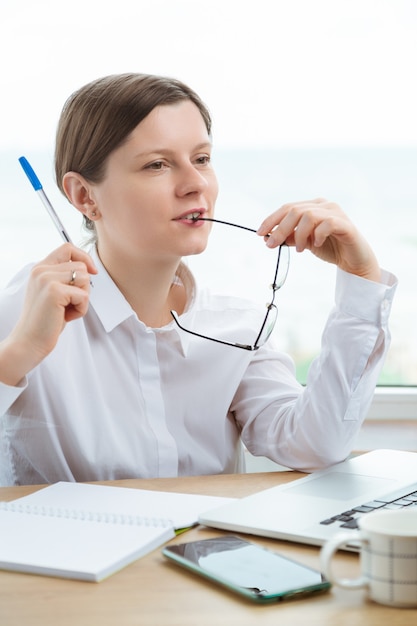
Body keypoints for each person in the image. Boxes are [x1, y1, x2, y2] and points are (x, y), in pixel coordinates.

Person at [0, 73, 396, 485]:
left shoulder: (235, 327)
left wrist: (360, 277)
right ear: (84, 197)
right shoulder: (28, 309)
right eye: (157, 164)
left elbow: (316, 446)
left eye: (202, 159)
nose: (196, 184)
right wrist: (19, 352)